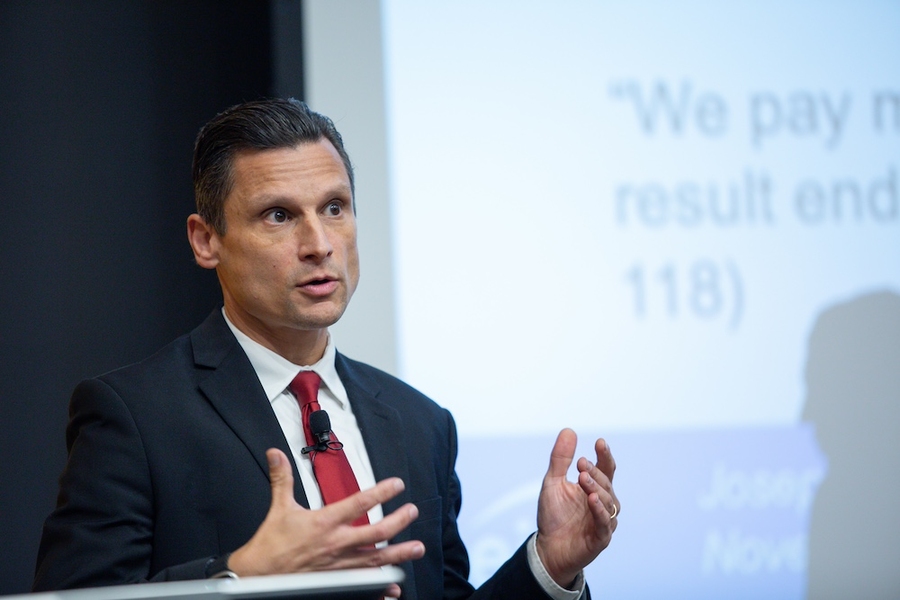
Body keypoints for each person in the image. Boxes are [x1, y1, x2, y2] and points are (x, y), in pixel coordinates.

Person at [33, 98, 619, 599]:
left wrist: (549, 566)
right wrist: (240, 575)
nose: (319, 244)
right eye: (279, 215)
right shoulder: (134, 415)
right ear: (206, 240)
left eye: (334, 208)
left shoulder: (420, 423)